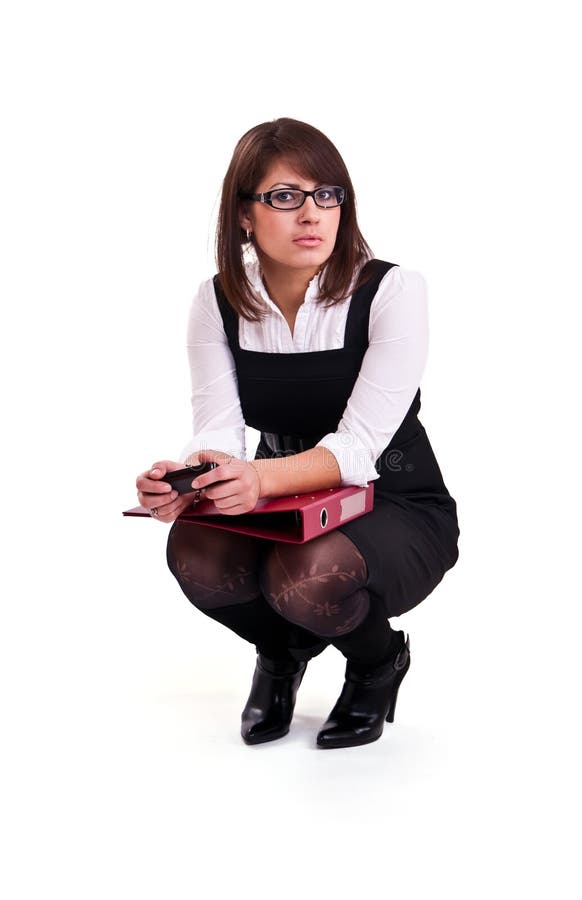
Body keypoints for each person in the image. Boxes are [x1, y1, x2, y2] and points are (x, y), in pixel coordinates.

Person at [134, 117, 460, 750]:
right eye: (285, 197)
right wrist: (192, 481)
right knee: (195, 553)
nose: (312, 214)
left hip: (392, 497)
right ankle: (281, 654)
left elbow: (360, 445)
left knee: (305, 572)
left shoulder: (393, 291)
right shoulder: (216, 301)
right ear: (244, 217)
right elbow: (220, 427)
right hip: (279, 494)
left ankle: (376, 662)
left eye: (326, 194)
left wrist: (257, 477)